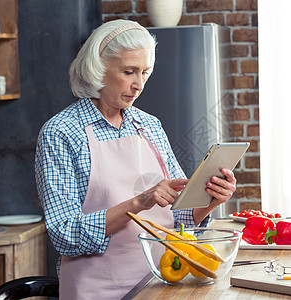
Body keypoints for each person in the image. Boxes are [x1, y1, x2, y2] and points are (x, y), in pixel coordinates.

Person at [34, 19, 237, 299]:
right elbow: (64, 234)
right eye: (129, 72)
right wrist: (138, 202)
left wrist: (209, 201)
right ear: (98, 68)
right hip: (98, 291)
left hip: (162, 283)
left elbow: (176, 217)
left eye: (145, 72)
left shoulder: (149, 125)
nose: (139, 84)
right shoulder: (61, 132)